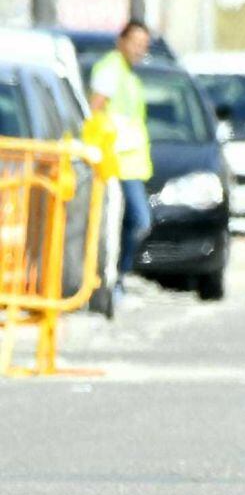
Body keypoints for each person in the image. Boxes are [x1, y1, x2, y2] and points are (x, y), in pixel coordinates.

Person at [88, 20, 153, 296]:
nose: (140, 50)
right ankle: (114, 279)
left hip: (130, 165)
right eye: (136, 43)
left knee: (129, 223)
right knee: (138, 221)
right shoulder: (110, 70)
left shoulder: (128, 74)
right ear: (121, 41)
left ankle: (116, 280)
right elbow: (95, 111)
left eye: (144, 46)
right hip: (115, 164)